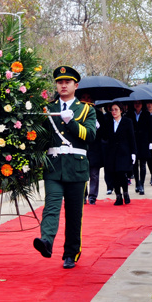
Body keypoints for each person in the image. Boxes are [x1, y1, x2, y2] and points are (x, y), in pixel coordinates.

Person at [33, 66, 97, 269]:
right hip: (53, 166)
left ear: (75, 85)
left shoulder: (87, 109)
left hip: (76, 168)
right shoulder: (47, 109)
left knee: (73, 213)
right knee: (51, 206)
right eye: (59, 82)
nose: (63, 85)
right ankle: (47, 241)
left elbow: (90, 136)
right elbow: (41, 137)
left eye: (67, 82)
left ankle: (71, 252)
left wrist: (71, 123)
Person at [101, 102, 137, 206]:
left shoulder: (127, 121)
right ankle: (118, 196)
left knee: (121, 174)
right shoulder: (108, 122)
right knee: (114, 175)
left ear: (121, 110)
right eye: (112, 110)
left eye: (116, 109)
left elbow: (132, 138)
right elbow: (104, 136)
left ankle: (125, 193)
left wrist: (133, 152)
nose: (114, 112)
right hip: (112, 153)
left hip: (124, 152)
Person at [77, 92, 103, 205]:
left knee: (94, 174)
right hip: (81, 148)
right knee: (82, 174)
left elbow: (105, 133)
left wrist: (98, 126)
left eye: (88, 98)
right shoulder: (77, 112)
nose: (86, 101)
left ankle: (92, 196)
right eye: (84, 98)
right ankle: (82, 195)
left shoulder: (98, 114)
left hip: (95, 148)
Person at [126, 100, 152, 195]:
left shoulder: (146, 114)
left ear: (142, 104)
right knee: (134, 165)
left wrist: (151, 141)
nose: (137, 105)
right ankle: (137, 182)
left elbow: (151, 129)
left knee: (143, 164)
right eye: (135, 103)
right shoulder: (129, 114)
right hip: (133, 142)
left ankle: (142, 184)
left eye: (139, 103)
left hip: (144, 142)